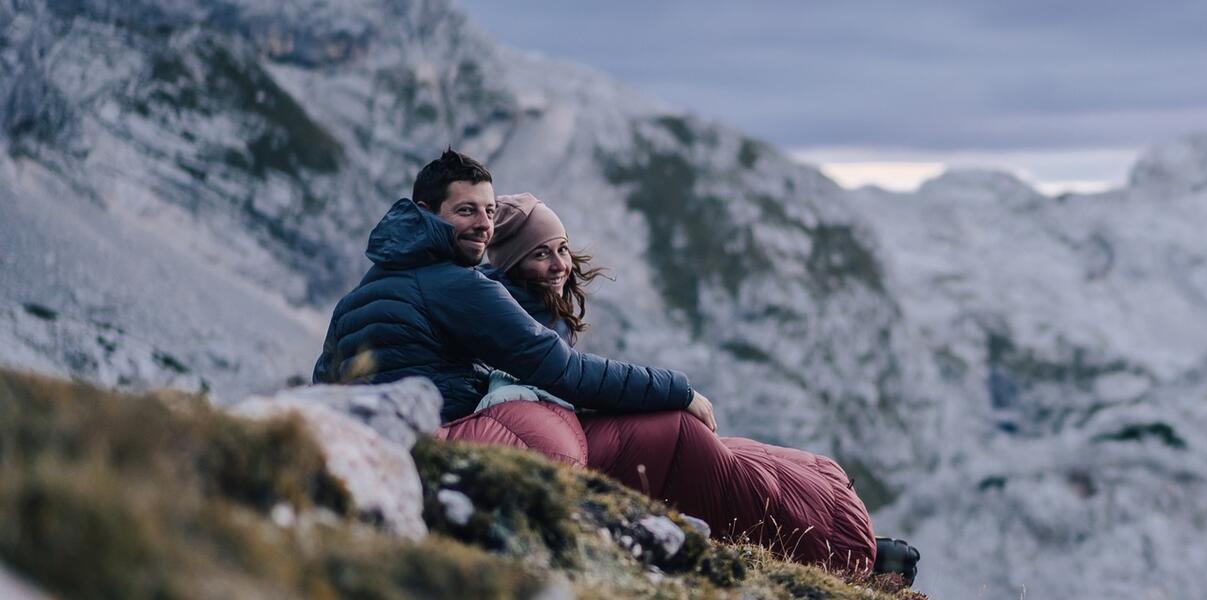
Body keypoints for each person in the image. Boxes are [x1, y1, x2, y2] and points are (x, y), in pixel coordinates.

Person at [476, 192, 918, 580]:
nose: (559, 265)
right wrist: (679, 390)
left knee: (746, 460)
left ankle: (844, 527)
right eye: (541, 255)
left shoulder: (532, 304)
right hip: (576, 448)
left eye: (563, 249)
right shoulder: (511, 317)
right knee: (723, 473)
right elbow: (577, 377)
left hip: (588, 436)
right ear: (514, 263)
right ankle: (855, 554)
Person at [311, 150, 713, 462]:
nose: (484, 224)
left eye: (489, 211)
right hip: (442, 452)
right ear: (424, 212)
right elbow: (563, 370)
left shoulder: (358, 295)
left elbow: (324, 388)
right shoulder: (454, 283)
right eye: (466, 210)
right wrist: (679, 389)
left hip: (362, 451)